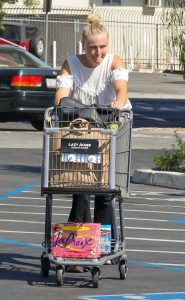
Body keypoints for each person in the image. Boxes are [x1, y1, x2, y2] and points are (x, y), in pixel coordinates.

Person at [55, 15, 131, 272]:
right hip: (83, 131)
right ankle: (77, 250)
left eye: (102, 47)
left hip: (111, 130)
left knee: (106, 191)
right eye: (92, 48)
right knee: (79, 187)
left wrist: (117, 106)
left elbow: (121, 90)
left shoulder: (113, 62)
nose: (98, 53)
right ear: (83, 46)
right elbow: (62, 94)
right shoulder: (71, 64)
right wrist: (61, 106)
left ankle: (103, 247)